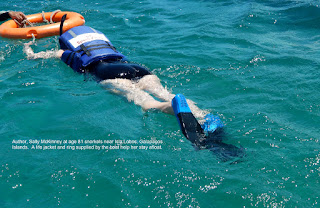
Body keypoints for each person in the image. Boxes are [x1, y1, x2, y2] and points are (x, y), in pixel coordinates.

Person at [22, 21, 244, 162]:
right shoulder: (98, 38)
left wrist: (27, 46)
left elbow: (38, 56)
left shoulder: (68, 53)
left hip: (106, 73)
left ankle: (172, 107)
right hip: (136, 68)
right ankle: (205, 117)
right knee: (164, 91)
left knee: (146, 103)